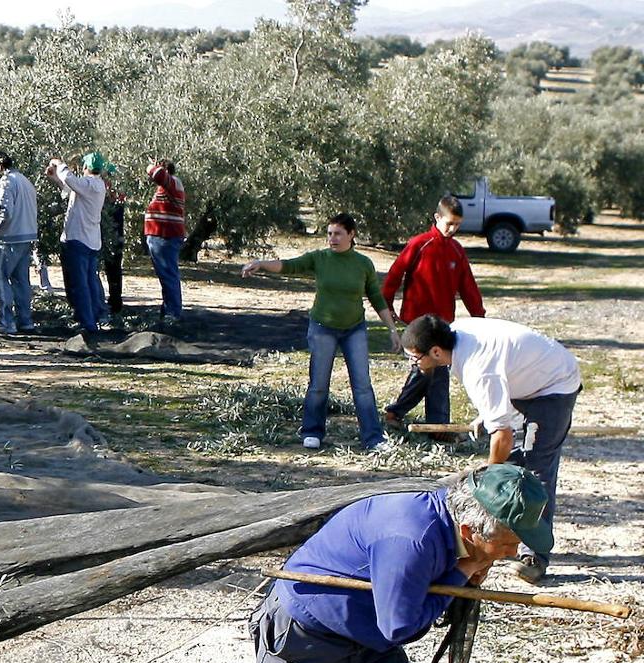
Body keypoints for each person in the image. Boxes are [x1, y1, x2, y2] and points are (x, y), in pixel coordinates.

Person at [168, 464, 551, 663]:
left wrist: (466, 565)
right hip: (308, 636)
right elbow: (400, 626)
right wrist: (461, 573)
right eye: (508, 544)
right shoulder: (410, 538)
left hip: (369, 638)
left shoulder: (448, 523)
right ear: (469, 529)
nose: (512, 552)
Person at [401, 314, 581, 584]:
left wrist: (487, 479)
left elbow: (503, 437)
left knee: (534, 472)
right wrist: (488, 415)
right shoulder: (457, 335)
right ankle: (507, 537)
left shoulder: (477, 367)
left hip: (554, 387)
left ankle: (534, 556)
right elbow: (499, 380)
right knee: (511, 465)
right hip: (529, 380)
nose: (414, 364)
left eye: (415, 358)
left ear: (436, 351)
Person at [243, 214, 401, 451]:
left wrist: (392, 329)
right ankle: (312, 431)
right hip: (322, 328)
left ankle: (373, 437)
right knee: (318, 383)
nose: (332, 239)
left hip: (354, 329)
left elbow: (376, 297)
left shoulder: (363, 263)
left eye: (337, 234)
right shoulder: (320, 258)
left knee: (362, 385)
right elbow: (289, 265)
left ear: (351, 235)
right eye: (329, 234)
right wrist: (261, 263)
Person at [382, 196, 486, 436]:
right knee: (427, 369)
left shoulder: (457, 250)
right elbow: (395, 275)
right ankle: (432, 424)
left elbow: (468, 287)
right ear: (437, 218)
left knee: (436, 371)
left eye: (457, 225)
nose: (453, 229)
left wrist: (479, 317)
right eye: (449, 223)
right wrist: (387, 305)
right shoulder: (420, 244)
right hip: (417, 323)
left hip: (442, 325)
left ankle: (421, 421)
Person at [46, 152, 108, 332]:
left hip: (79, 239)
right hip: (90, 240)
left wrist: (59, 164)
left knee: (80, 284)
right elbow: (70, 188)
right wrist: (57, 179)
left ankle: (88, 323)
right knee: (89, 282)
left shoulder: (90, 184)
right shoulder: (95, 185)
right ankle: (94, 317)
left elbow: (72, 181)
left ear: (86, 167)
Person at [0, 152, 38, 334]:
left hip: (10, 237)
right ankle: (25, 320)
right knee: (21, 280)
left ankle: (6, 321)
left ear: (0, 165)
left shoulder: (6, 182)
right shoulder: (25, 181)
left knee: (1, 277)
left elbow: (4, 211)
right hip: (27, 235)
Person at [144, 158, 186, 321]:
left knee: (168, 274)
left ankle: (172, 313)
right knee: (167, 274)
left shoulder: (173, 182)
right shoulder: (169, 186)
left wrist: (150, 166)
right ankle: (169, 310)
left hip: (164, 235)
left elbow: (157, 174)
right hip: (162, 236)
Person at [102, 163, 127, 315]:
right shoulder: (120, 195)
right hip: (116, 236)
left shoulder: (113, 197)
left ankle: (115, 302)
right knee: (115, 269)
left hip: (110, 237)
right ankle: (115, 301)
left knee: (113, 269)